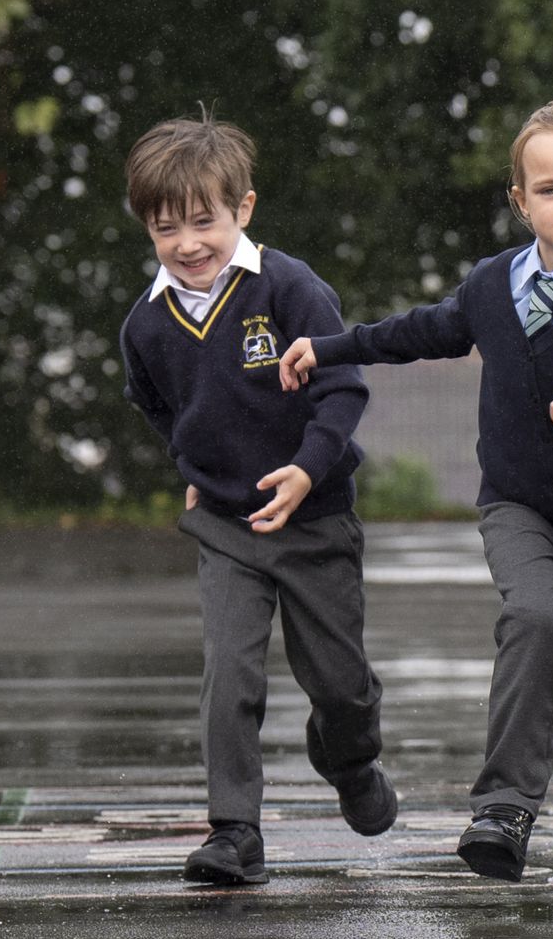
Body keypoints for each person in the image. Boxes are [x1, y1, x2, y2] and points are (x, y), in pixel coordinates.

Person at [280, 97, 553, 904]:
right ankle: (504, 810)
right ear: (521, 200)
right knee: (534, 619)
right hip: (516, 505)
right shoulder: (492, 284)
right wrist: (328, 346)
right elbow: (418, 330)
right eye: (550, 190)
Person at [118, 112, 393, 886]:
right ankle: (234, 831)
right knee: (229, 675)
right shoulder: (145, 325)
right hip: (228, 526)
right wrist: (192, 460)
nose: (187, 243)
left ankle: (351, 760)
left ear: (243, 208)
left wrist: (307, 468)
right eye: (166, 228)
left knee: (339, 686)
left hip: (317, 516)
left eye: (203, 220)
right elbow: (158, 404)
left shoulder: (290, 288)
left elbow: (343, 388)